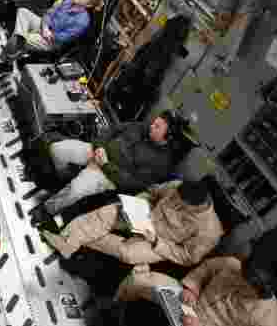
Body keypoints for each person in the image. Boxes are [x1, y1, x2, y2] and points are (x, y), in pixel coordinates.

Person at [29, 113, 181, 225]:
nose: (151, 126)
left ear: (166, 137)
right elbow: (113, 130)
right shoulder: (141, 127)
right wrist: (99, 146)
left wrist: (105, 164)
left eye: (157, 127)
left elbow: (132, 182)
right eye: (154, 122)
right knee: (57, 149)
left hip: (107, 174)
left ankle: (47, 210)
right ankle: (62, 180)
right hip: (97, 152)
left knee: (76, 189)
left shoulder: (161, 162)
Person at [39, 179, 223, 265]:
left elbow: (187, 256)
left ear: (195, 207)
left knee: (129, 253)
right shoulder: (177, 186)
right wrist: (136, 204)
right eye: (176, 198)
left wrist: (157, 242)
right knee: (108, 213)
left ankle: (73, 239)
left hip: (159, 241)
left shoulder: (210, 231)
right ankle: (67, 243)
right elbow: (152, 192)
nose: (176, 203)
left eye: (181, 204)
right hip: (144, 216)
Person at [115, 255, 277, 326]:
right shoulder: (234, 265)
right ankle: (116, 304)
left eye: (247, 285)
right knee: (141, 280)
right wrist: (192, 288)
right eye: (244, 275)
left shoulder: (270, 319)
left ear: (260, 291)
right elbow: (206, 269)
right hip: (189, 300)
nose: (241, 282)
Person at [3, 0, 105, 58]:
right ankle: (19, 39)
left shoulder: (83, 21)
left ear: (88, 5)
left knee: (20, 38)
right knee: (23, 11)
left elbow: (64, 38)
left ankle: (7, 59)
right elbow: (48, 14)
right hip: (44, 26)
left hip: (51, 41)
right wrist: (45, 26)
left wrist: (48, 34)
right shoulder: (67, 2)